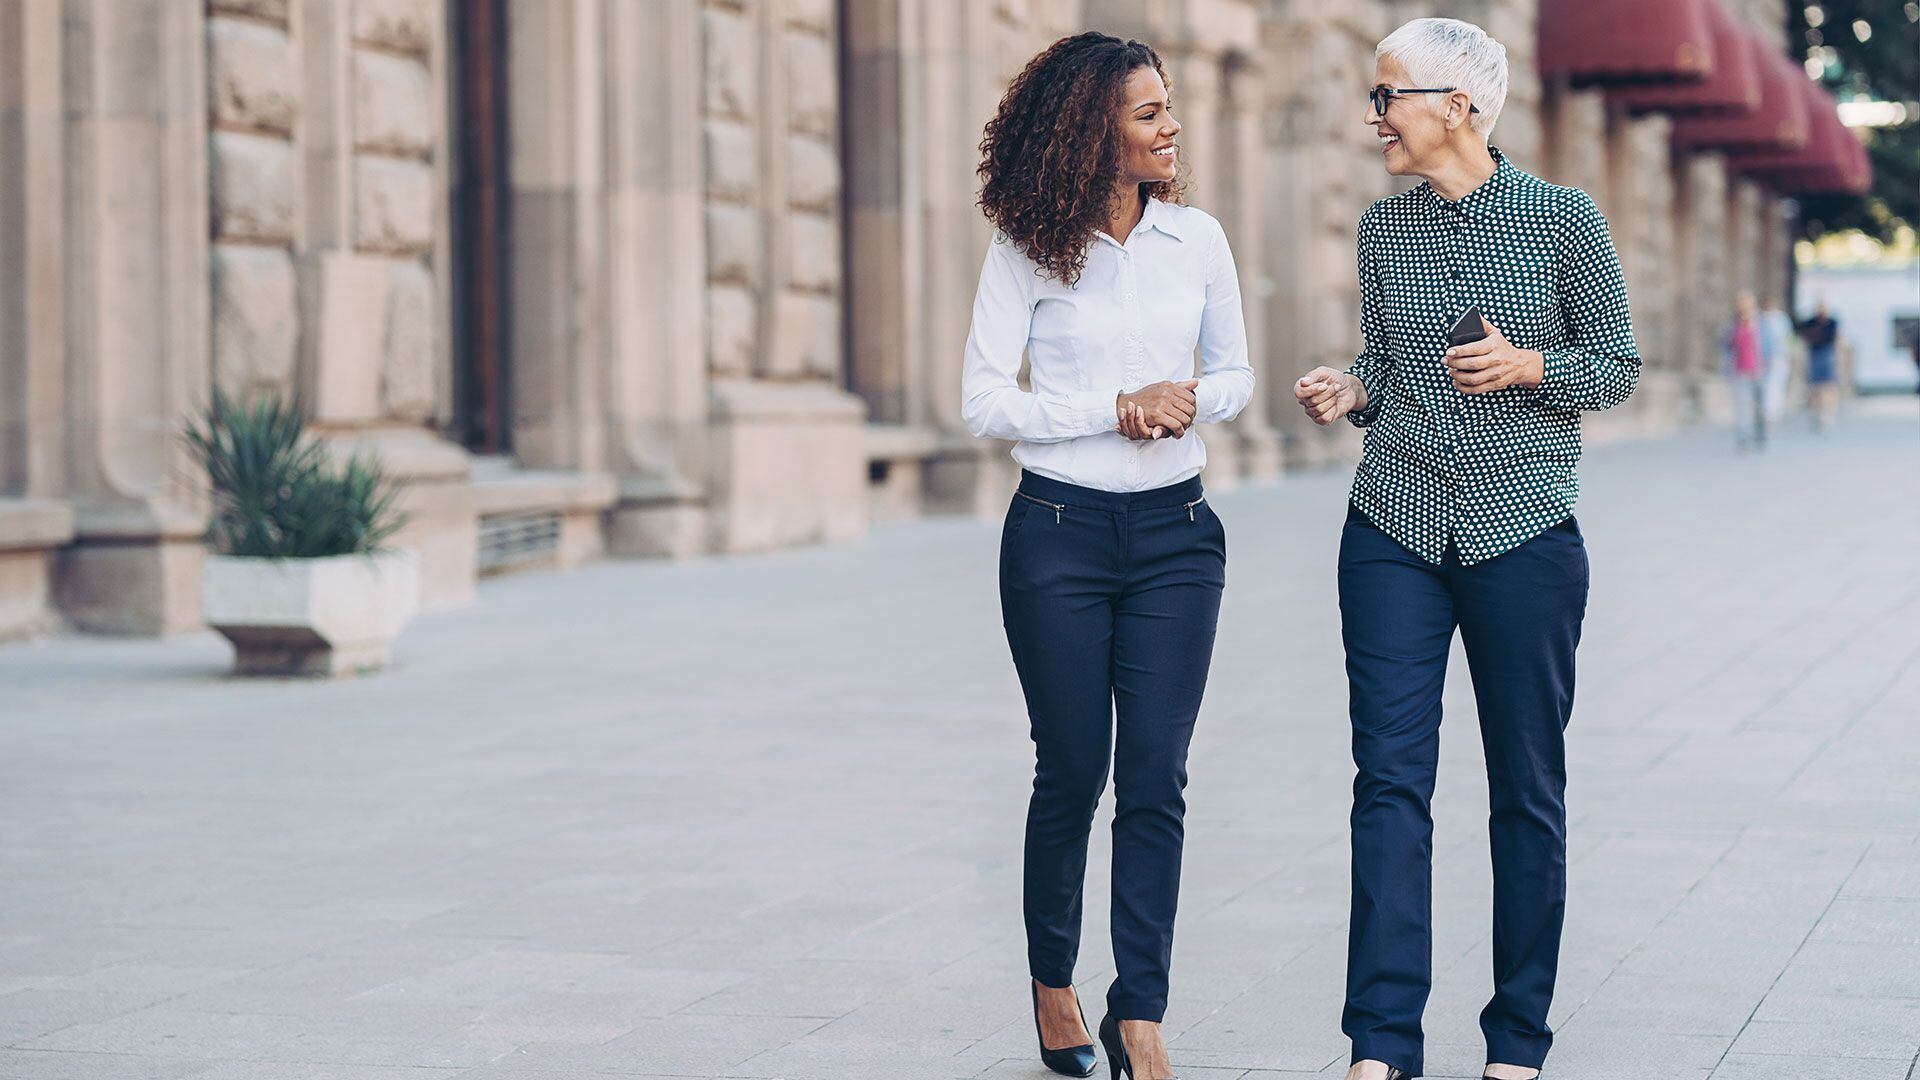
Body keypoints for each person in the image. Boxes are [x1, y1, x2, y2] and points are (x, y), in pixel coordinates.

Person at [1292, 17, 1638, 1080]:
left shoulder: (1562, 220)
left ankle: (1516, 1042)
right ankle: (1381, 1046)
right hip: (1391, 525)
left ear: (1456, 106)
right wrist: (1356, 388)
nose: (1373, 115)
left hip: (1523, 531)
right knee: (1387, 783)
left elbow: (1617, 363)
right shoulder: (1381, 233)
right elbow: (1389, 365)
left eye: (1388, 94)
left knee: (1525, 790)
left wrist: (1533, 367)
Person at [963, 31, 1255, 1080]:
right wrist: (1112, 408)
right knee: (1074, 769)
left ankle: (1141, 1012)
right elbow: (984, 400)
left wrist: (1183, 401)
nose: (1170, 125)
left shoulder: (1199, 242)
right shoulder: (1028, 249)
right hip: (1057, 539)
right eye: (1147, 113)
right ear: (1094, 131)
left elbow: (1233, 378)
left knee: (1157, 778)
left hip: (1178, 539)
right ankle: (1053, 986)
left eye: (1168, 106)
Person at [1723, 294, 1767, 451]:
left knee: (1758, 405)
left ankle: (1759, 433)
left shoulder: (1761, 323)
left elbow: (1768, 345)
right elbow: (1727, 345)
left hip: (1758, 369)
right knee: (1742, 406)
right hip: (1740, 370)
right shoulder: (1734, 325)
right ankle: (1743, 437)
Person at [1797, 300, 1841, 432]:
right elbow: (1803, 332)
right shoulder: (1811, 322)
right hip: (1815, 355)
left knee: (1828, 386)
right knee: (1815, 387)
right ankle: (1816, 412)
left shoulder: (1832, 322)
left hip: (1827, 355)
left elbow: (1833, 338)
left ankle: (1827, 413)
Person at [1759, 295, 1794, 424]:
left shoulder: (1781, 319)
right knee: (1766, 385)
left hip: (1779, 357)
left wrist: (1789, 355)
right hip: (1763, 358)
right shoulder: (1759, 319)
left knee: (1777, 385)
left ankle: (1774, 411)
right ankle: (1766, 411)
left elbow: (1788, 338)